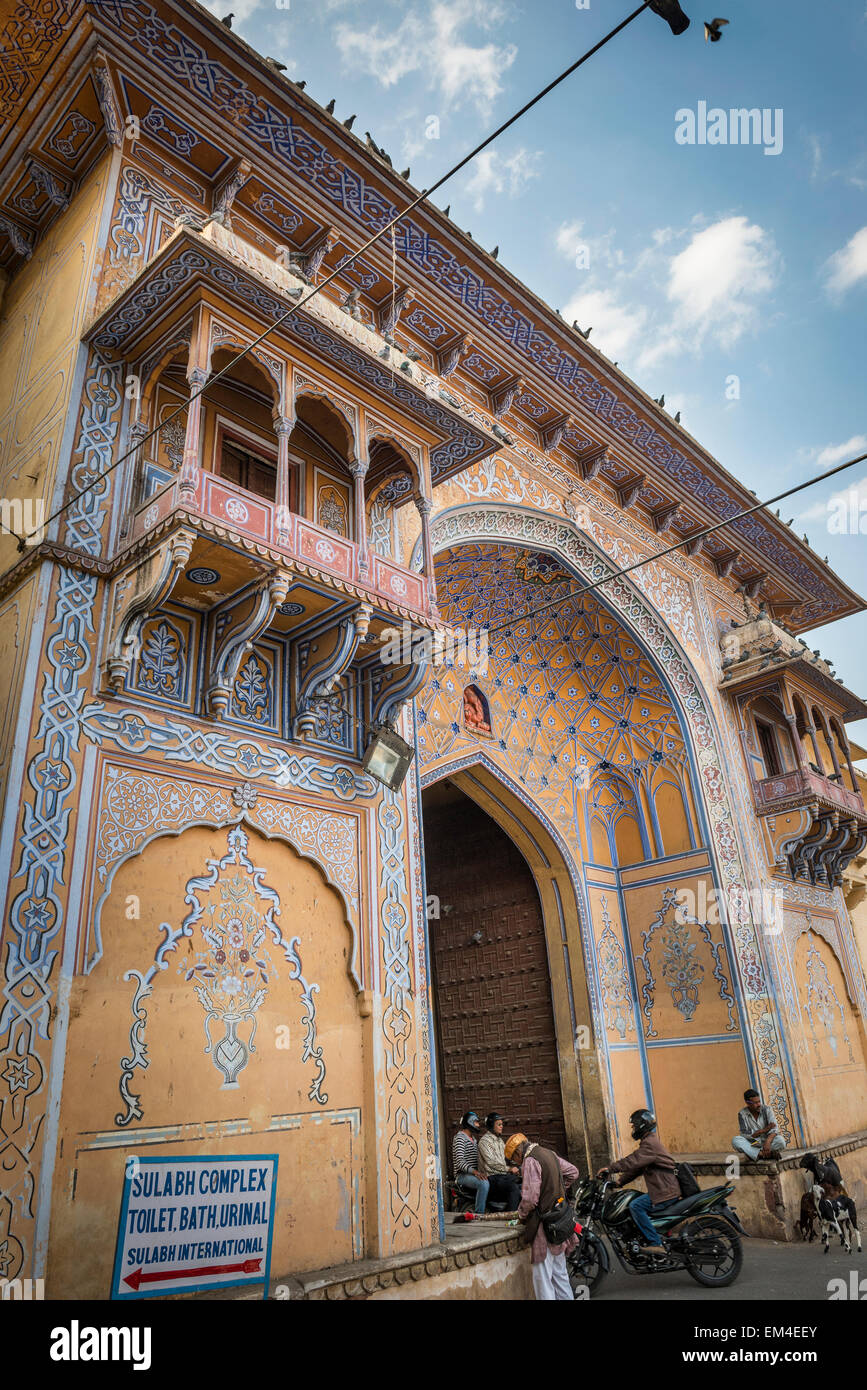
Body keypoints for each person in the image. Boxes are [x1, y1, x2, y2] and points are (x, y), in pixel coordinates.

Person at [505, 1132, 580, 1300]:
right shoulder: (549, 1153)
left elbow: (530, 1200)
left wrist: (521, 1215)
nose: (516, 1163)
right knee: (560, 1275)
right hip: (559, 1221)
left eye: (513, 1159)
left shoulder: (530, 1161)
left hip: (544, 1226)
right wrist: (557, 1191)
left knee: (542, 1279)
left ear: (518, 1153)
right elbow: (573, 1172)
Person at [598, 1108, 681, 1256]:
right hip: (664, 1189)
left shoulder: (650, 1144)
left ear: (642, 1125)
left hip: (665, 1191)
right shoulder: (649, 1142)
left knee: (636, 1206)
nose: (633, 1129)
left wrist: (610, 1169)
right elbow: (637, 1167)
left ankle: (655, 1243)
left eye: (635, 1125)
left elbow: (633, 1161)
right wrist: (620, 1182)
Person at [477, 1112, 522, 1210]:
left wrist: (519, 1163)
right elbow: (491, 1162)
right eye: (499, 1124)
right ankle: (512, 1216)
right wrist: (509, 1169)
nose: (502, 1127)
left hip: (501, 1176)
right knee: (512, 1187)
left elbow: (508, 1156)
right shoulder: (484, 1141)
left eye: (502, 1124)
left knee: (522, 1183)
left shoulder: (500, 1141)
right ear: (491, 1125)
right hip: (491, 1177)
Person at [732, 1089, 785, 1162]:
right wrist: (764, 1130)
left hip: (768, 1141)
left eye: (759, 1101)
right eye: (756, 1103)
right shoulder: (742, 1114)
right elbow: (744, 1133)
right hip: (753, 1143)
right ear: (748, 1103)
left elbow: (774, 1129)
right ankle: (763, 1154)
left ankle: (755, 1154)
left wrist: (768, 1142)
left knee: (781, 1141)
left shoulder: (767, 1109)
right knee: (736, 1140)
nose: (759, 1104)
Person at [452, 1111, 489, 1214]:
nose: (478, 1125)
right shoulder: (460, 1138)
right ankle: (479, 1214)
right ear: (470, 1122)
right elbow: (460, 1161)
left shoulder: (473, 1139)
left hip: (472, 1174)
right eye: (476, 1122)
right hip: (462, 1176)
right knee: (484, 1184)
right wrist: (476, 1172)